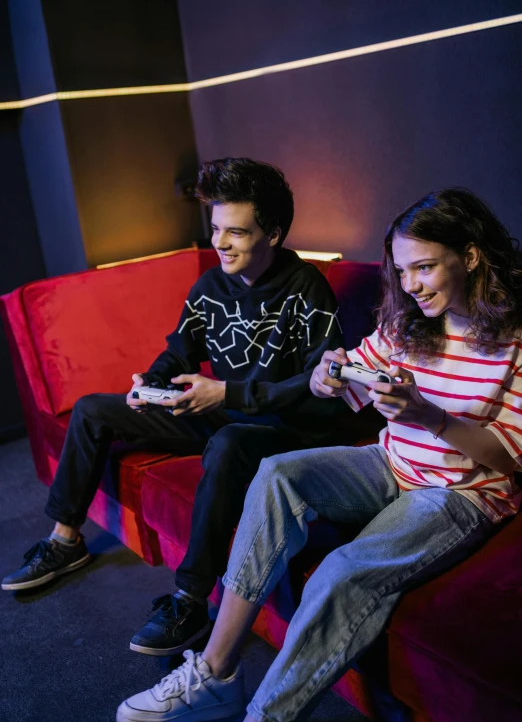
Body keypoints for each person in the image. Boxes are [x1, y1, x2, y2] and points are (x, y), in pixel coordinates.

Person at [116, 188, 522, 722]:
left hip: (460, 492)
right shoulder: (410, 319)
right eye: (402, 270)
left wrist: (429, 416)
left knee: (342, 571)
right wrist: (330, 376)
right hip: (391, 460)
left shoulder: (513, 337)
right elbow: (356, 374)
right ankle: (215, 670)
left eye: (425, 267)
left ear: (472, 256)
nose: (411, 285)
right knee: (279, 472)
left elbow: (510, 458)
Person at [2, 157, 347, 657]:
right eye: (215, 230)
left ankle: (190, 598)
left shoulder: (308, 289)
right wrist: (154, 381)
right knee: (95, 408)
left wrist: (224, 394)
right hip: (220, 411)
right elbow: (180, 349)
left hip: (282, 427)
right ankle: (64, 539)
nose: (221, 244)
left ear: (272, 233)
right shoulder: (210, 286)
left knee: (228, 441)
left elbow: (314, 388)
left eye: (237, 233)